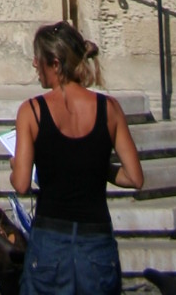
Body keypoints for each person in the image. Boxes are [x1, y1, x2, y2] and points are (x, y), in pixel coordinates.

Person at [9, 19, 144, 295]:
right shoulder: (110, 109)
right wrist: (93, 165)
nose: (35, 65)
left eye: (39, 59)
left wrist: (15, 166)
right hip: (96, 243)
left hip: (50, 241)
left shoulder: (31, 111)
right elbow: (134, 178)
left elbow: (21, 184)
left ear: (55, 64)